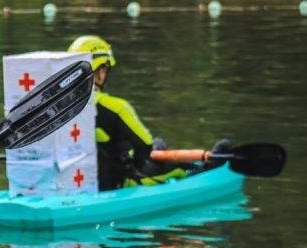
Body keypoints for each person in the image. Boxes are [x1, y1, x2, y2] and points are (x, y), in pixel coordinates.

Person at [67, 36, 231, 190]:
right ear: (100, 72)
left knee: (159, 143)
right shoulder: (116, 107)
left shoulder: (58, 108)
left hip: (79, 181)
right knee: (207, 155)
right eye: (104, 70)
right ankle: (209, 168)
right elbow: (145, 144)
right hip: (120, 183)